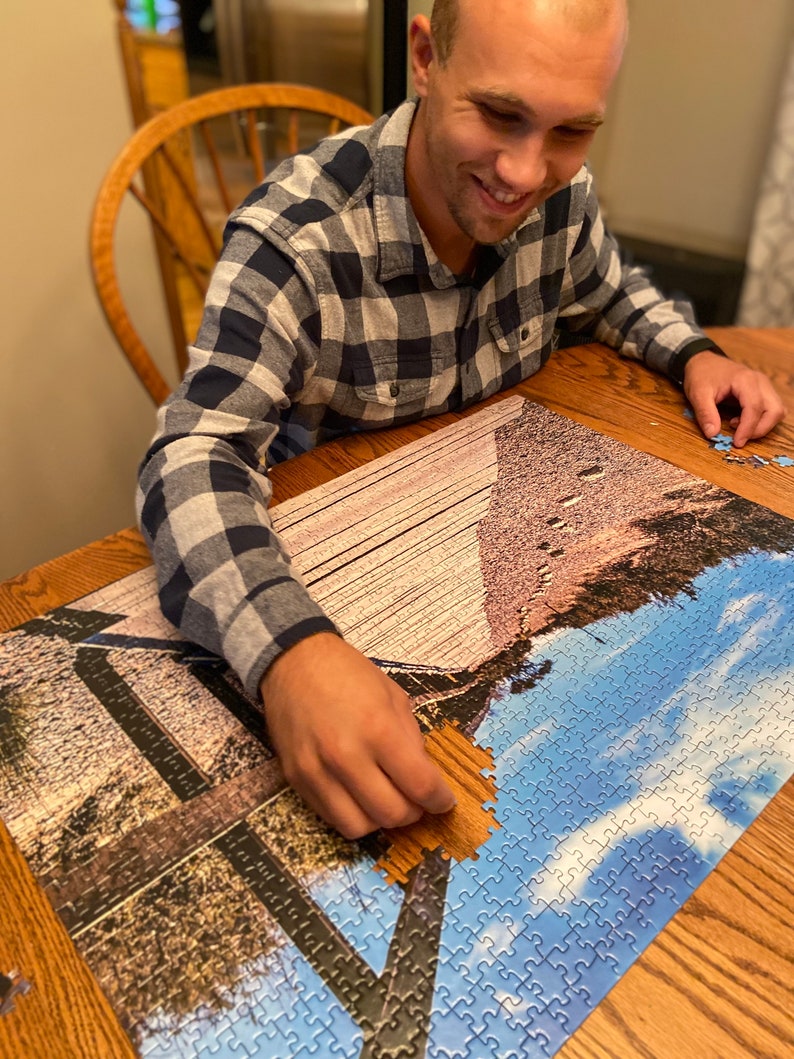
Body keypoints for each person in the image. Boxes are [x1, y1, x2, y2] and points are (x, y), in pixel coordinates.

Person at [137, 0, 785, 840]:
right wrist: (289, 655)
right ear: (424, 57)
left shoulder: (562, 195)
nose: (525, 172)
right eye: (501, 114)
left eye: (570, 131)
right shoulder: (291, 242)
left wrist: (694, 352)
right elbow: (192, 455)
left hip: (493, 536)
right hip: (330, 586)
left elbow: (612, 291)